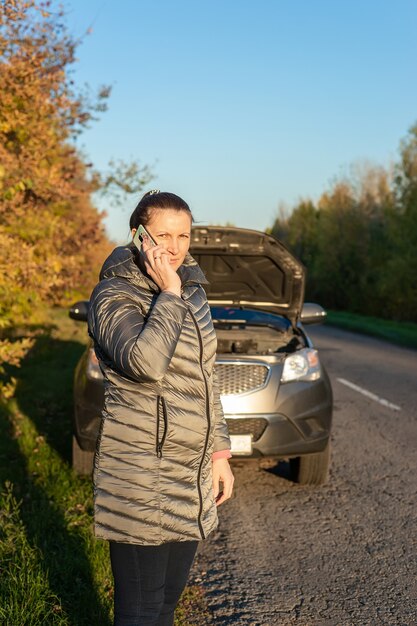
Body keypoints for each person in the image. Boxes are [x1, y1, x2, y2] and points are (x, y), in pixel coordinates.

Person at [87, 190, 235, 626]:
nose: (173, 246)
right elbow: (145, 364)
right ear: (138, 235)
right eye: (162, 234)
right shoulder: (112, 295)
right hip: (139, 475)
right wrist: (169, 292)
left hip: (188, 476)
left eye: (183, 235)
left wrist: (220, 455)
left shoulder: (194, 296)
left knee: (167, 604)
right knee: (139, 611)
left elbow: (206, 383)